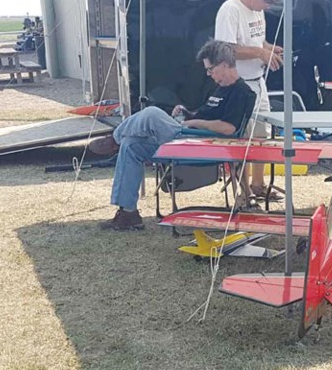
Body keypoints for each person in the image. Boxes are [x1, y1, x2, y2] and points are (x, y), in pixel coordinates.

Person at [89, 39, 255, 231]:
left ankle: (114, 139)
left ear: (225, 65)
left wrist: (193, 122)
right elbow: (204, 114)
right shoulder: (219, 89)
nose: (208, 74)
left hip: (205, 145)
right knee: (131, 145)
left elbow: (229, 129)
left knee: (152, 114)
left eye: (210, 69)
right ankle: (128, 213)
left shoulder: (241, 92)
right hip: (190, 136)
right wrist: (187, 112)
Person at [214, 0, 284, 200]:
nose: (267, 6)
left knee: (261, 135)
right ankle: (243, 194)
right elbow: (226, 49)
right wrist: (259, 52)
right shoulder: (230, 10)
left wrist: (269, 49)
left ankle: (258, 184)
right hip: (239, 85)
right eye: (266, 1)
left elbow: (257, 41)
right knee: (241, 139)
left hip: (258, 80)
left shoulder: (258, 10)